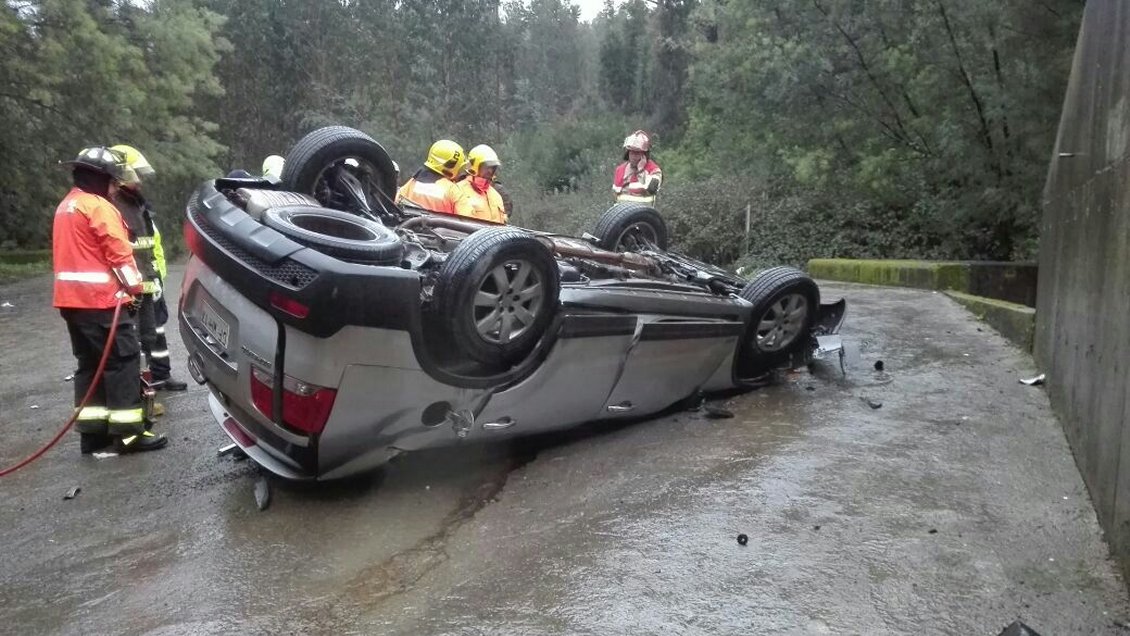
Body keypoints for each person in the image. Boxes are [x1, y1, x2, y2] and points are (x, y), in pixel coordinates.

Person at [53, 146, 168, 454]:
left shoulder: (68, 205)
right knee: (122, 363)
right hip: (102, 303)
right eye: (113, 181)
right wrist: (134, 291)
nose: (116, 187)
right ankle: (129, 433)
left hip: (72, 303)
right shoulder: (99, 207)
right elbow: (120, 256)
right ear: (100, 179)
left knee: (89, 366)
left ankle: (92, 435)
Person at [110, 144, 187, 395]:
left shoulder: (135, 203)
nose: (140, 181)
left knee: (155, 331)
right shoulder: (116, 205)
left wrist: (155, 279)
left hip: (149, 280)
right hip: (133, 283)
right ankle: (139, 386)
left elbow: (149, 245)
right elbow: (122, 250)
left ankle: (159, 376)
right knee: (133, 338)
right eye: (135, 174)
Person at [395, 139, 467, 215]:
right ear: (451, 165)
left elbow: (396, 203)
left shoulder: (412, 183)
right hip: (442, 226)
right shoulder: (453, 191)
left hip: (408, 225)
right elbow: (467, 220)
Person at [454, 144, 508, 224]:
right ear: (474, 165)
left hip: (493, 236)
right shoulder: (457, 190)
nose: (490, 171)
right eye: (487, 166)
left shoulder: (496, 196)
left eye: (493, 167)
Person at [612, 130, 662, 204]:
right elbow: (615, 197)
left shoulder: (654, 170)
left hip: (644, 214)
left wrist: (641, 171)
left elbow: (651, 189)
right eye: (631, 152)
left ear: (645, 154)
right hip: (623, 214)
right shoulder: (620, 170)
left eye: (637, 153)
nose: (633, 157)